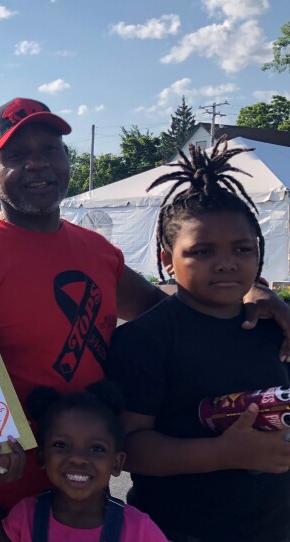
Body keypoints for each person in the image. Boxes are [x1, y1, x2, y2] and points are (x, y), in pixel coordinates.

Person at [0, 97, 290, 542]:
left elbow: (176, 308)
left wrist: (254, 290)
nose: (38, 165)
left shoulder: (97, 252)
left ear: (67, 158)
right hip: (9, 497)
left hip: (92, 499)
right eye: (17, 155)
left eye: (50, 149)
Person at [108, 139, 290, 542]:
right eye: (202, 251)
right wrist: (224, 454)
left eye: (243, 249)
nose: (226, 262)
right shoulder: (143, 340)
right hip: (175, 529)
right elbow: (129, 447)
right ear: (167, 259)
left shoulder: (273, 324)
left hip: (273, 525)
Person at [0, 382, 167, 542]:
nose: (78, 458)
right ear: (42, 457)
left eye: (96, 449)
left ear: (117, 463)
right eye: (61, 445)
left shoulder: (139, 530)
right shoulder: (24, 519)